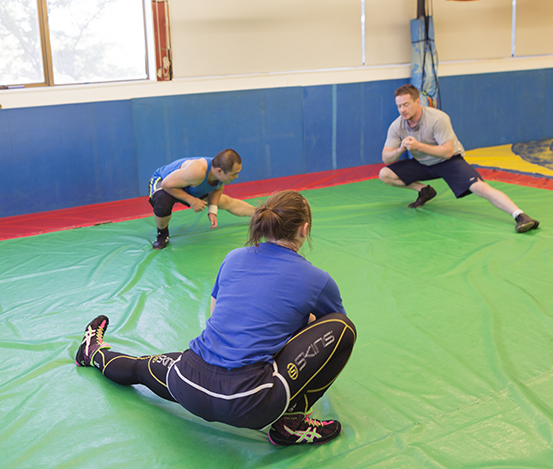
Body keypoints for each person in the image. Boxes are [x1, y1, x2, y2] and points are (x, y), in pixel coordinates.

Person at [75, 190, 357, 446]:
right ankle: (291, 424)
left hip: (189, 382)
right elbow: (328, 333)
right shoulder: (317, 279)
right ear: (304, 230)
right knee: (343, 328)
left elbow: (216, 311)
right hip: (248, 401)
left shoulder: (234, 257)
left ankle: (91, 353)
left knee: (140, 368)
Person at [379, 84, 539, 233]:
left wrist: (418, 147)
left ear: (417, 102)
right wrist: (401, 148)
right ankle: (424, 191)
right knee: (385, 174)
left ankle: (520, 215)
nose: (402, 110)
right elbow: (386, 157)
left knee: (480, 187)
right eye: (399, 106)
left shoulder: (437, 119)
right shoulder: (397, 125)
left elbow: (447, 152)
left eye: (406, 104)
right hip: (422, 163)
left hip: (448, 162)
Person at [148, 149, 255, 249]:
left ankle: (259, 214)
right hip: (164, 181)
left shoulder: (220, 169)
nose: (236, 177)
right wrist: (192, 200)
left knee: (224, 201)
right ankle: (162, 233)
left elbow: (217, 190)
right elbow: (167, 185)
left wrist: (212, 210)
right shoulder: (197, 171)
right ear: (219, 171)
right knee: (163, 202)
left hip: (190, 184)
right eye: (234, 174)